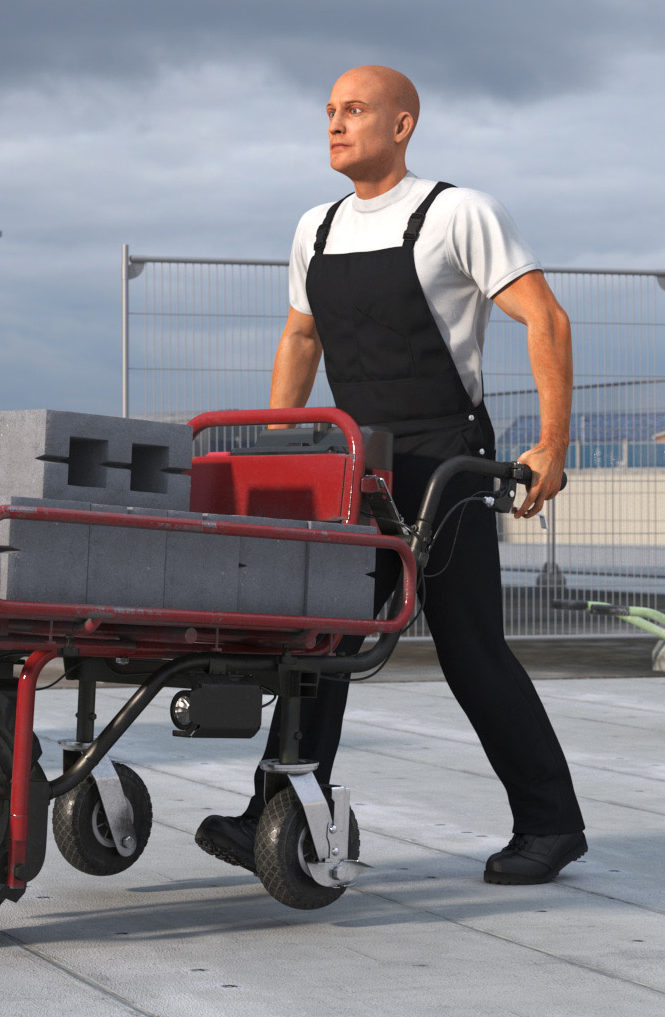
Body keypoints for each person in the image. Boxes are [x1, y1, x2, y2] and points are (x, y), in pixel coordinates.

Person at [194, 65, 588, 885]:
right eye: (329, 111)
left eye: (356, 110)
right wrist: (277, 441)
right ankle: (275, 810)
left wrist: (551, 444)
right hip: (351, 461)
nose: (336, 124)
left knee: (470, 647)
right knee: (322, 635)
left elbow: (545, 317)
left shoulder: (457, 213)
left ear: (402, 124)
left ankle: (552, 825)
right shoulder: (318, 228)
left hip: (444, 457)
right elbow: (301, 340)